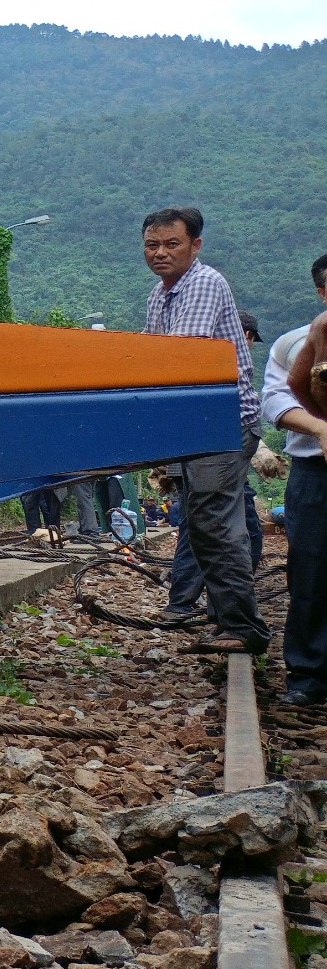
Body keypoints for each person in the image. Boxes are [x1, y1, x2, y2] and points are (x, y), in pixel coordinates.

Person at [140, 207, 265, 652]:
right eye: (152, 245)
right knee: (203, 522)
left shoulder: (205, 283)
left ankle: (243, 629)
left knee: (213, 523)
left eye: (172, 244)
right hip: (198, 425)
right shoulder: (160, 294)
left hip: (223, 422)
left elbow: (178, 356)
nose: (160, 253)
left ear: (195, 246)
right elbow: (150, 355)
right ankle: (227, 619)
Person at [166, 303, 268, 611]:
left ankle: (188, 601)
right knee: (231, 528)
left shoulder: (199, 360)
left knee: (197, 525)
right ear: (246, 335)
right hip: (216, 455)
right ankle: (224, 605)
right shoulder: (225, 362)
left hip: (194, 455)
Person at [264, 254, 327, 704]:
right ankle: (308, 675)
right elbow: (275, 400)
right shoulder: (293, 344)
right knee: (311, 570)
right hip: (314, 470)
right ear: (322, 292)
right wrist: (320, 428)